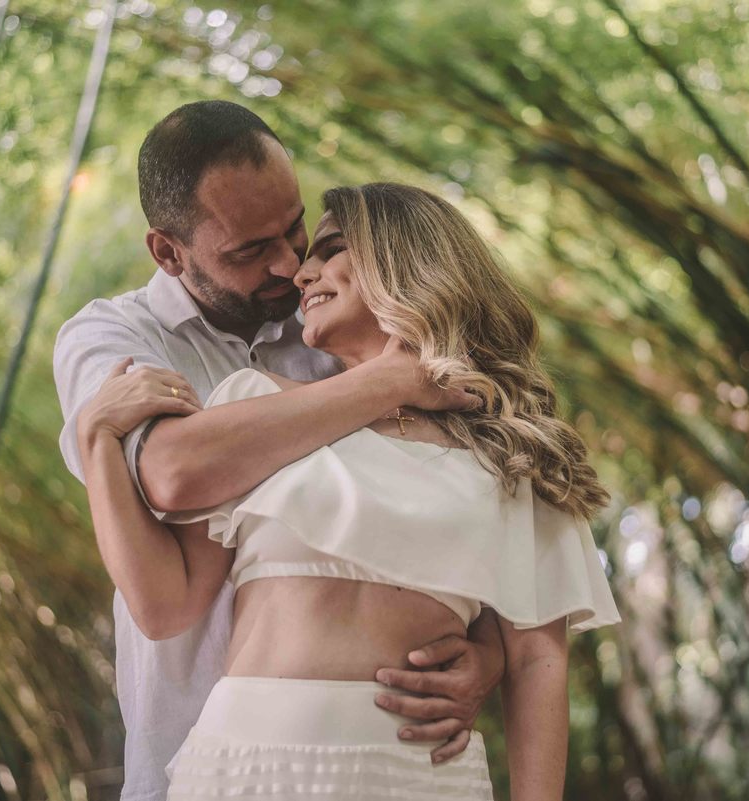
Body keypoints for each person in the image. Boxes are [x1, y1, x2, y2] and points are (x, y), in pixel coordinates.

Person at [76, 182, 621, 800]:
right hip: (247, 770)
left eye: (329, 248)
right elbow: (163, 605)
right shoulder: (253, 405)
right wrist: (98, 444)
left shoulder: (511, 449)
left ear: (405, 259)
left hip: (419, 777)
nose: (300, 273)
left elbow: (536, 663)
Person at [53, 102, 503, 801]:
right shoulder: (112, 337)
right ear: (169, 252)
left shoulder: (337, 313)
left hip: (385, 752)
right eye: (250, 250)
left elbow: (468, 502)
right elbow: (174, 472)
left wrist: (491, 654)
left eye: (294, 227)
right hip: (199, 748)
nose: (290, 264)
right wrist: (390, 380)